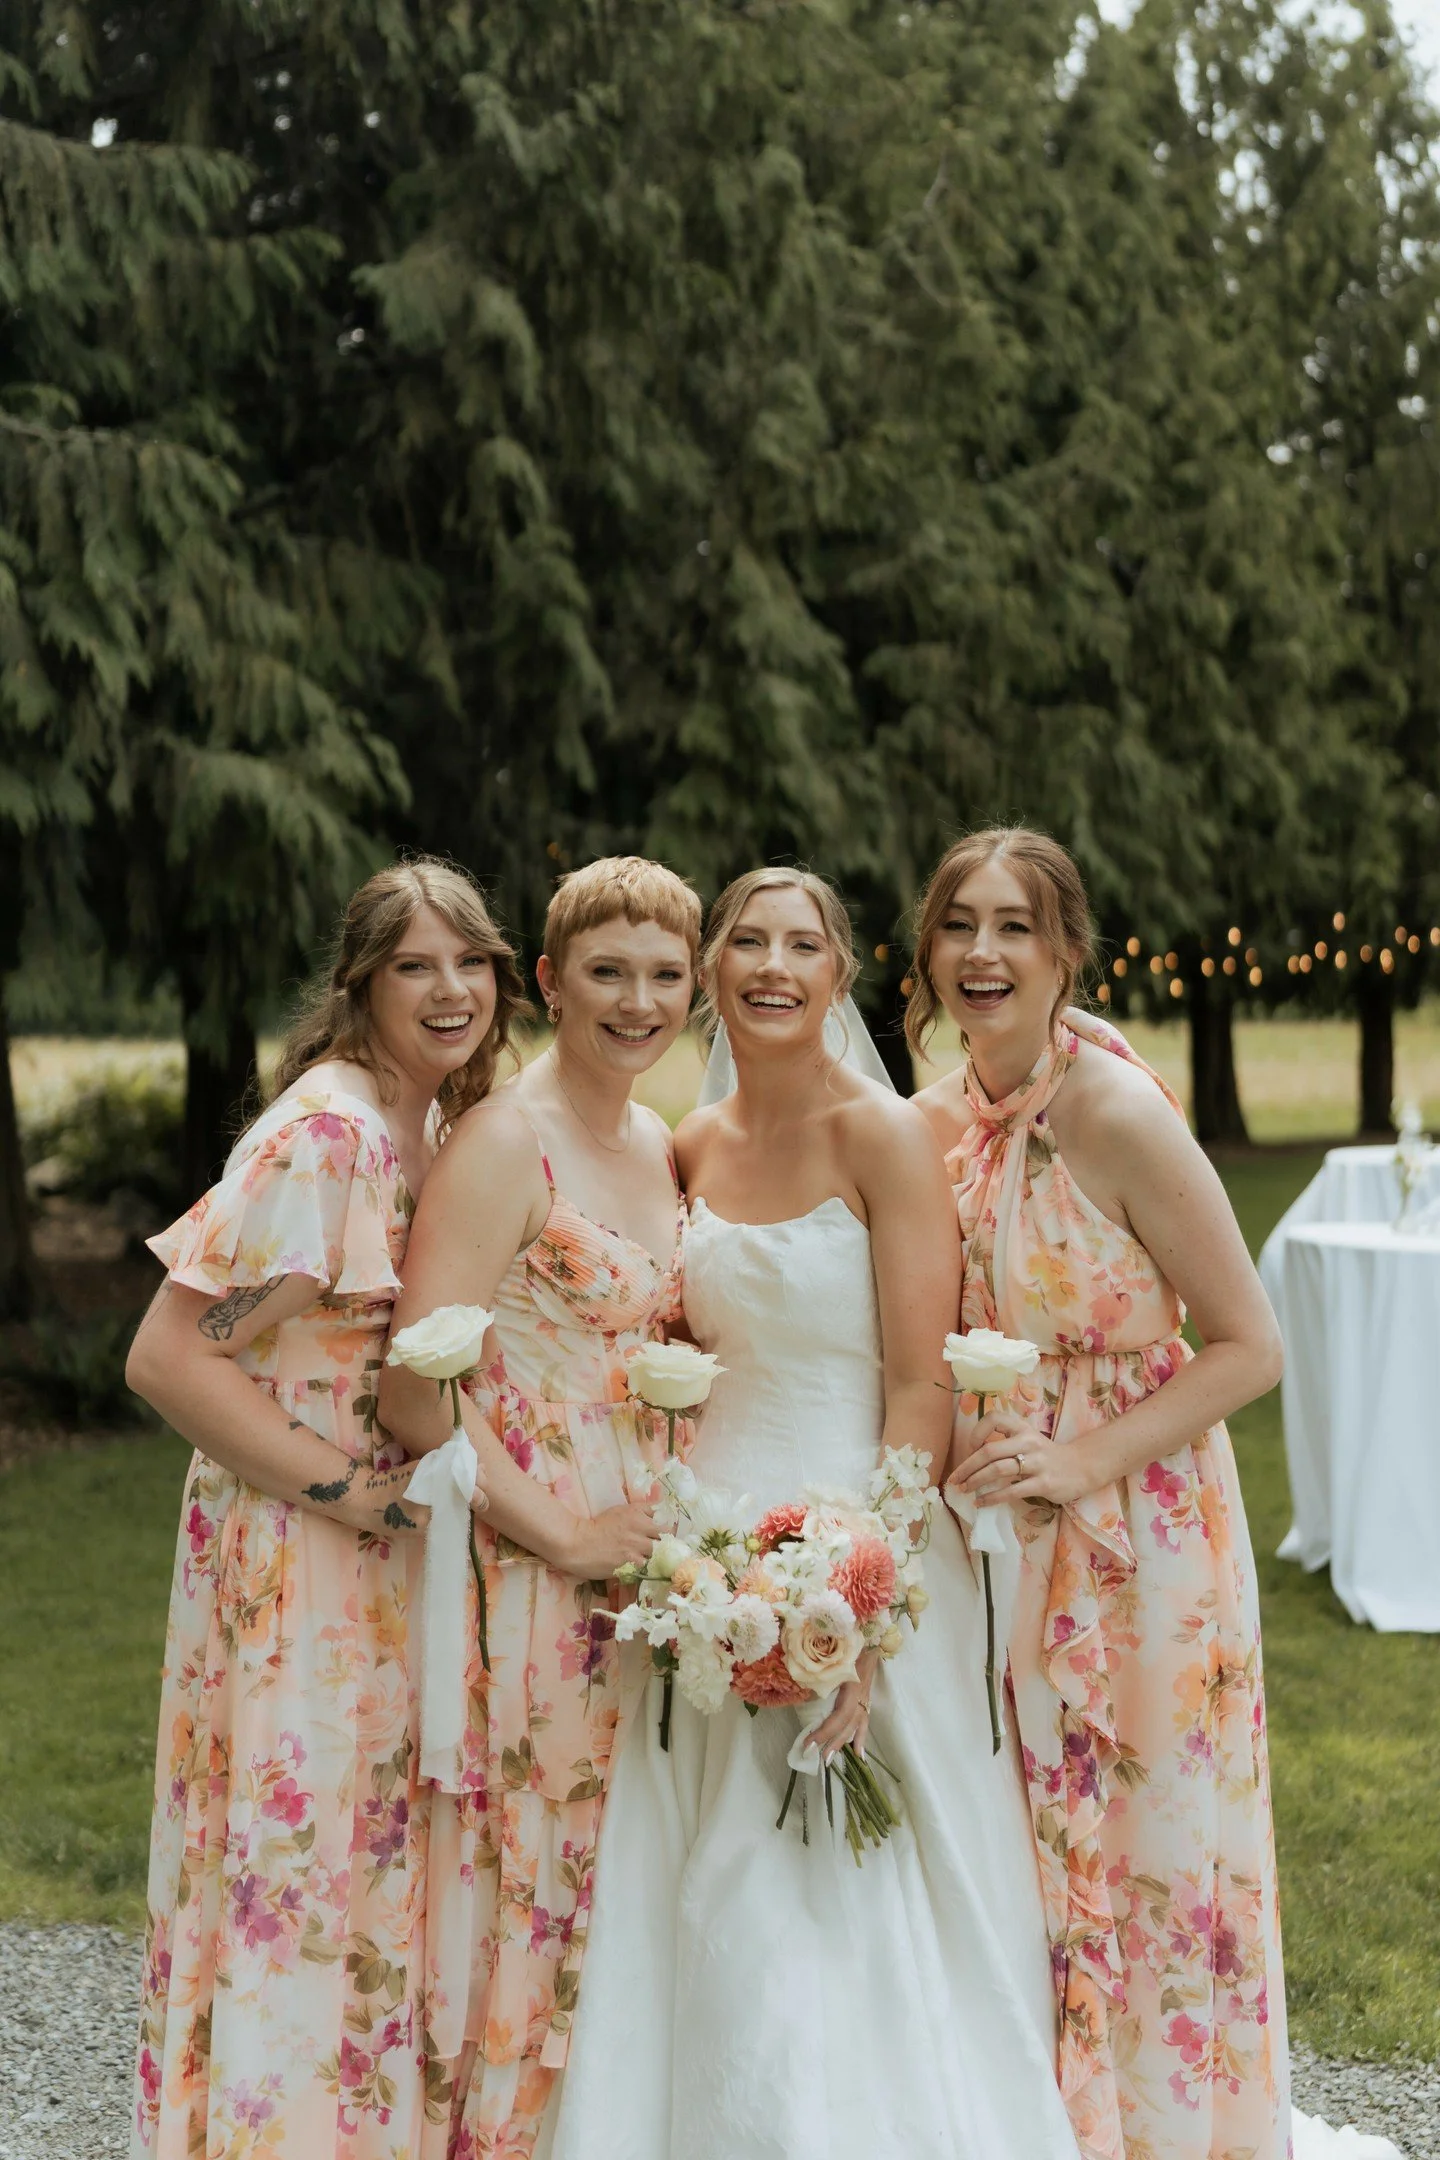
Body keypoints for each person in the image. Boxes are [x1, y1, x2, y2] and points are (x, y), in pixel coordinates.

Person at [542, 867, 1085, 2160]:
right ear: (714, 971)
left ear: (841, 975)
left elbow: (918, 1384)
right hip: (706, 1553)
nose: (773, 965)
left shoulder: (883, 1137)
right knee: (703, 1866)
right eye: (748, 942)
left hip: (861, 1531)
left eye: (804, 944)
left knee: (838, 1880)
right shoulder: (691, 1143)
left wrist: (861, 1601)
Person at [124, 859, 527, 2160]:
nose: (452, 989)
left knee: (364, 1866)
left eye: (471, 961)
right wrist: (355, 1493)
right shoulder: (335, 1134)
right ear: (361, 983)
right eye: (418, 965)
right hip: (301, 1544)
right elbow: (178, 1352)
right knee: (299, 1868)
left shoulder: (427, 1118)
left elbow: (285, 1322)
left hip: (370, 1544)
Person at [910, 826, 1290, 2160]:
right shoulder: (934, 1121)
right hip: (996, 1529)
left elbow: (1250, 1343)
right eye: (961, 924)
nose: (985, 952)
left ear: (1068, 952)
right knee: (1021, 1837)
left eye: (1017, 926)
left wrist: (1081, 1462)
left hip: (1143, 1527)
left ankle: (1183, 2133)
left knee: (1157, 1836)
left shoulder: (1113, 1112)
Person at [379, 856, 701, 2160]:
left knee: (619, 1898)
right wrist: (563, 1535)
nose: (639, 1001)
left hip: (650, 1578)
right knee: (530, 1894)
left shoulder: (658, 1143)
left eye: (666, 976)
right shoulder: (507, 1141)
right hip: (534, 1570)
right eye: (609, 973)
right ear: (553, 983)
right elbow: (411, 1397)